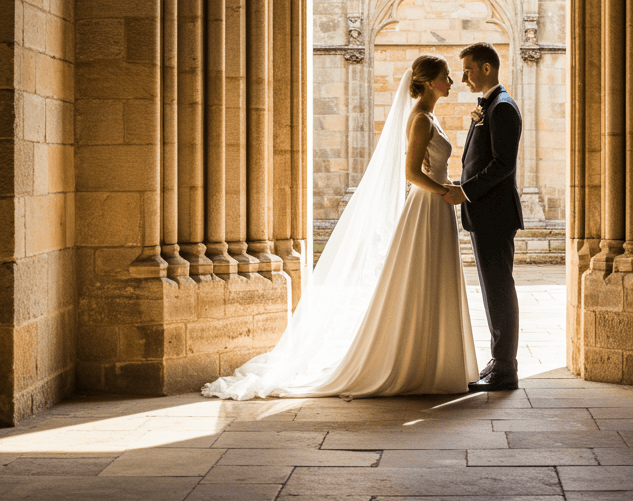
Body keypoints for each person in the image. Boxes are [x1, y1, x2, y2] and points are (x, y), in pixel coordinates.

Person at [201, 55, 477, 398]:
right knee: (422, 275)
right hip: (429, 204)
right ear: (430, 81)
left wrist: (446, 189)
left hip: (437, 204)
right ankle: (415, 362)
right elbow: (410, 172)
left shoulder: (429, 115)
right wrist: (446, 190)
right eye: (446, 76)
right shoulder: (420, 118)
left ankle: (433, 360)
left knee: (434, 277)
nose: (451, 82)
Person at [448, 41, 523, 392]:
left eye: (468, 69)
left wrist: (465, 191)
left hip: (494, 215)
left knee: (499, 290)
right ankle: (499, 361)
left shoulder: (503, 107)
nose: (463, 77)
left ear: (486, 68)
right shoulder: (490, 105)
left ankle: (506, 368)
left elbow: (502, 165)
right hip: (485, 214)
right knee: (493, 290)